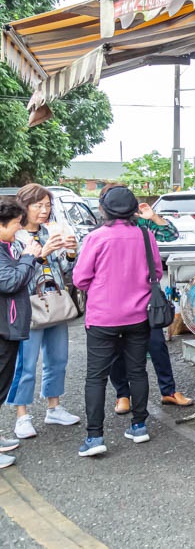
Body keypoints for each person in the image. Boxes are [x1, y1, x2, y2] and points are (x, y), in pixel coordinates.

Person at [73, 186, 159, 457]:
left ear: (103, 210)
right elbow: (156, 272)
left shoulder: (96, 238)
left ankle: (95, 436)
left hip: (103, 317)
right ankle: (139, 425)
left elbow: (80, 280)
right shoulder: (145, 235)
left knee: (96, 377)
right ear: (135, 210)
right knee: (137, 371)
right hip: (139, 315)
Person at [99, 184, 194, 414]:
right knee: (116, 350)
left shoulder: (142, 224)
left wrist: (154, 217)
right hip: (112, 299)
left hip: (144, 296)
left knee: (157, 344)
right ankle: (123, 395)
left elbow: (171, 235)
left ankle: (168, 391)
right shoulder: (101, 229)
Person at [7, 185, 81, 439]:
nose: (44, 210)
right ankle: (22, 415)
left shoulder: (50, 231)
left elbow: (63, 268)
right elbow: (15, 274)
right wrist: (42, 253)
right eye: (38, 205)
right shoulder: (12, 236)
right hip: (28, 305)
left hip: (55, 301)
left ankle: (54, 407)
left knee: (58, 358)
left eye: (47, 205)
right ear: (24, 207)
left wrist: (70, 252)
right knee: (25, 364)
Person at [0, 198, 43, 468]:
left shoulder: (6, 246)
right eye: (16, 224)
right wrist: (29, 256)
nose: (18, 229)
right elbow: (10, 281)